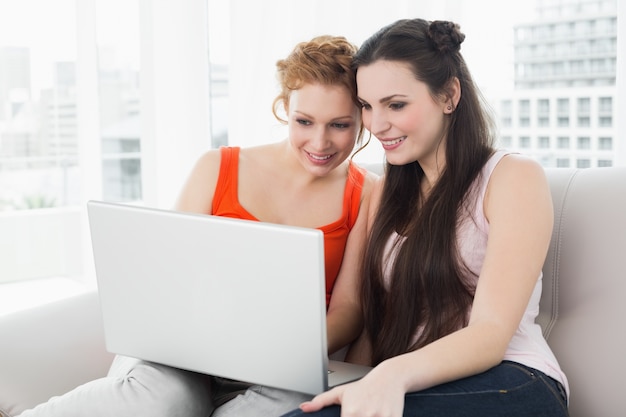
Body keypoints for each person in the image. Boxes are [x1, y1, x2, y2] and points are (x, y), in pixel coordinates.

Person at [12, 34, 376, 417]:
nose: (320, 142)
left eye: (339, 125)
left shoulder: (365, 192)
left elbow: (350, 308)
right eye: (305, 121)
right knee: (167, 400)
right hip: (181, 354)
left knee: (291, 406)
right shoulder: (217, 166)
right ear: (285, 108)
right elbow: (168, 274)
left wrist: (283, 352)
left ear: (361, 120)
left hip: (283, 366)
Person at [281, 18, 569, 417]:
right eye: (367, 106)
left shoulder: (512, 178)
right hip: (416, 384)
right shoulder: (384, 192)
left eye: (396, 104)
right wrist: (359, 380)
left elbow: (489, 334)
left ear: (449, 95)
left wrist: (388, 376)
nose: (377, 125)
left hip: (513, 381)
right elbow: (370, 323)